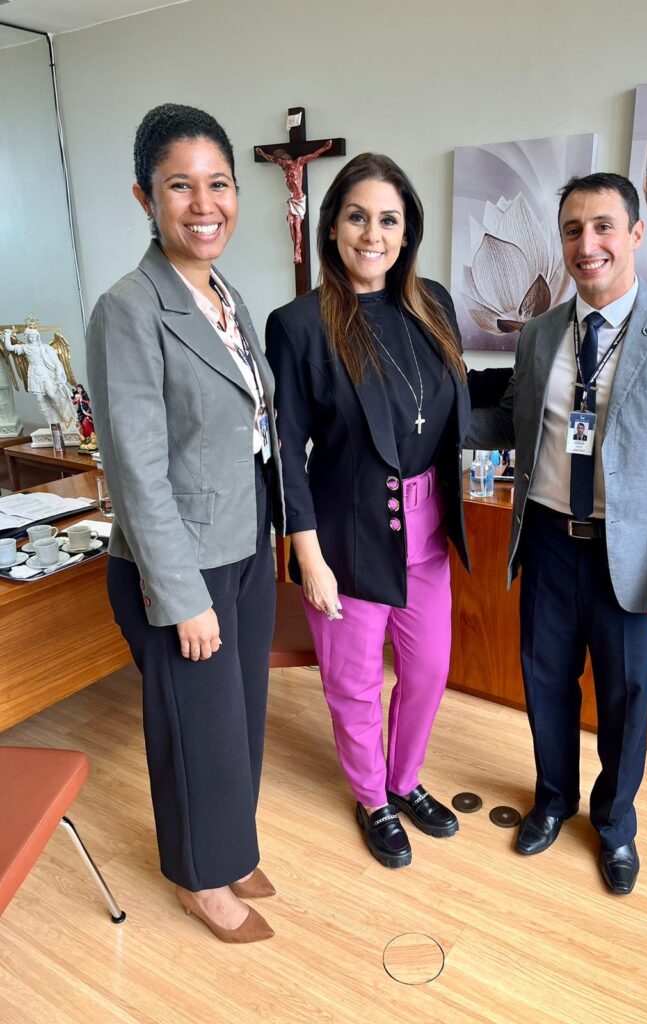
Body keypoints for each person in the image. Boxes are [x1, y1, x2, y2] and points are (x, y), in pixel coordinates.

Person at [466, 172, 647, 895]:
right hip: (551, 542)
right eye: (572, 231)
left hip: (636, 557)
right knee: (546, 683)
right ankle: (553, 799)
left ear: (636, 234)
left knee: (624, 699)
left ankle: (615, 824)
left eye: (602, 227)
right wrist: (428, 409)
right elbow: (511, 428)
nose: (587, 245)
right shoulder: (539, 336)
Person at [86, 103, 284, 942]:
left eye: (219, 184)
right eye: (180, 187)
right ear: (145, 197)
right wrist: (181, 596)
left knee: (239, 719)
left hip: (241, 545)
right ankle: (200, 879)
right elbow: (135, 468)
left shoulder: (222, 295)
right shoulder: (129, 309)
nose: (205, 205)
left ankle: (230, 846)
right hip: (180, 565)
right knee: (194, 729)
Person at [266, 153, 470, 869]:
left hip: (429, 535)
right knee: (352, 685)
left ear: (407, 228)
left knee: (427, 672)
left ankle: (405, 779)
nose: (373, 233)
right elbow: (285, 448)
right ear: (332, 227)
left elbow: (445, 416)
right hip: (347, 539)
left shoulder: (433, 304)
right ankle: (372, 798)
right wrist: (307, 556)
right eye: (358, 216)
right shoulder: (298, 325)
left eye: (388, 218)